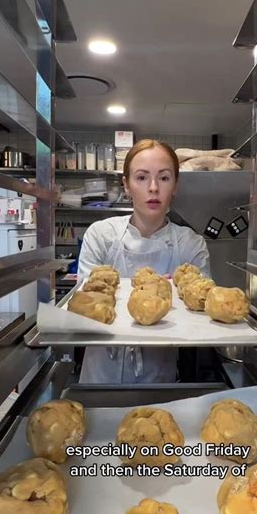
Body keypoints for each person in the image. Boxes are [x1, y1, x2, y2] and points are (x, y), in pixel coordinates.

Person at [78, 139, 210, 383]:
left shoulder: (191, 244)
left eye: (164, 177)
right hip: (99, 376)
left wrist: (175, 295)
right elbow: (84, 306)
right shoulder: (101, 235)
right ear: (126, 185)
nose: (153, 187)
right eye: (141, 177)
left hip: (158, 377)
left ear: (175, 186)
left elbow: (202, 318)